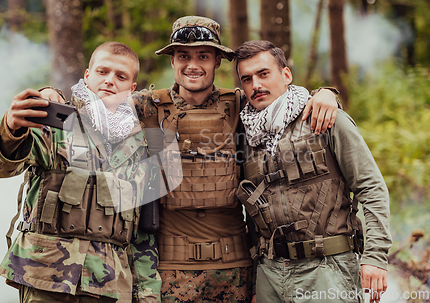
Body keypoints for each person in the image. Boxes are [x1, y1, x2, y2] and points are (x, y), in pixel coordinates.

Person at [41, 16, 340, 302]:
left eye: (203, 56)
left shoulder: (239, 105)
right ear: (172, 61)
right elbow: (90, 106)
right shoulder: (146, 105)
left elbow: (283, 100)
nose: (193, 65)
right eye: (183, 56)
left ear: (217, 61)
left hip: (234, 267)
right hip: (169, 269)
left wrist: (326, 93)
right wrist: (50, 92)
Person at [0, 42, 161, 303]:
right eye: (103, 71)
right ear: (87, 76)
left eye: (120, 76)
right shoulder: (54, 124)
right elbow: (0, 166)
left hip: (109, 285)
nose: (110, 81)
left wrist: (147, 295)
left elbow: (142, 236)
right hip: (46, 278)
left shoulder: (141, 147)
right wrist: (10, 128)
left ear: (131, 88)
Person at [234, 40, 391, 303]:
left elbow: (370, 186)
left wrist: (375, 256)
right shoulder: (246, 135)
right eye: (247, 79)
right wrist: (254, 282)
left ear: (286, 75)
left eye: (263, 73)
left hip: (327, 270)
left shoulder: (324, 118)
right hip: (269, 275)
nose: (256, 85)